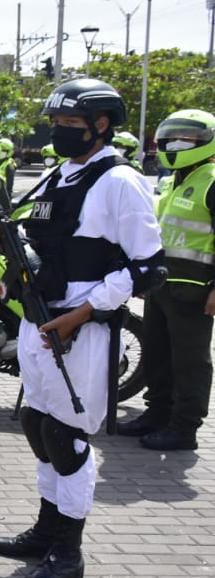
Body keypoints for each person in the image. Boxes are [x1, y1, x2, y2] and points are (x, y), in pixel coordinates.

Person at [0, 79, 163, 578]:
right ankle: (46, 527)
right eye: (56, 124)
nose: (58, 134)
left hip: (78, 329)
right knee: (38, 421)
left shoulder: (120, 182)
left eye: (69, 126)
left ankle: (69, 548)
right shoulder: (60, 175)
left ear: (101, 125)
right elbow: (34, 238)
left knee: (67, 433)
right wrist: (4, 249)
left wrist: (83, 313)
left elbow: (148, 268)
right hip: (38, 315)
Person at [117, 109, 215, 452]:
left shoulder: (212, 180)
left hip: (196, 289)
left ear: (205, 141)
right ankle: (157, 414)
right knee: (157, 354)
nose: (175, 144)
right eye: (170, 138)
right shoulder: (174, 179)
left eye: (185, 138)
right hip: (163, 287)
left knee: (190, 360)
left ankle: (184, 428)